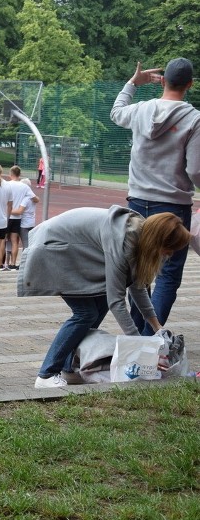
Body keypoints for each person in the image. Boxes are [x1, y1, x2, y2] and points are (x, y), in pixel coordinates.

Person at [18, 207, 190, 388]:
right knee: (85, 314)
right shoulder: (124, 241)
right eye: (169, 249)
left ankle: (67, 369)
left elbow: (138, 287)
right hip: (54, 249)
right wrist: (137, 343)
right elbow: (116, 300)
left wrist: (157, 327)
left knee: (98, 308)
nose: (169, 255)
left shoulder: (140, 235)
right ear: (157, 240)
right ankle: (46, 374)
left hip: (74, 252)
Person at [110, 58, 200, 335]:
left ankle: (136, 339)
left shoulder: (141, 110)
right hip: (174, 208)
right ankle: (151, 341)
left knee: (139, 274)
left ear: (162, 81)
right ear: (190, 85)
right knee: (168, 277)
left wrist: (132, 84)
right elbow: (195, 169)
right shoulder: (194, 119)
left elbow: (116, 112)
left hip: (136, 203)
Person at [5, 166, 39, 270]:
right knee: (15, 241)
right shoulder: (25, 188)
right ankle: (13, 263)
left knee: (2, 240)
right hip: (18, 218)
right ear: (19, 174)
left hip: (7, 216)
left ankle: (2, 263)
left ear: (11, 174)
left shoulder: (6, 184)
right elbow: (36, 199)